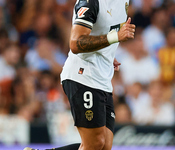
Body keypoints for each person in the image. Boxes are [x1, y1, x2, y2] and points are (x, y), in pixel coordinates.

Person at [24, 0, 135, 150]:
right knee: (94, 144)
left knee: (104, 146)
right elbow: (76, 43)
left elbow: (103, 29)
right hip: (83, 75)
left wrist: (107, 54)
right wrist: (115, 37)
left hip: (102, 77)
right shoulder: (90, 2)